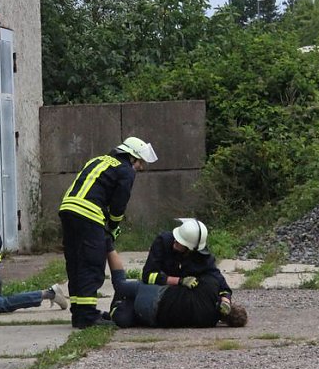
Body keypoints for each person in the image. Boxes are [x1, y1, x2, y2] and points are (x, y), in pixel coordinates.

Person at [59, 136, 157, 329]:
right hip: (88, 214)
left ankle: (79, 313)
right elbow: (119, 204)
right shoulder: (126, 170)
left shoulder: (98, 160)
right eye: (140, 162)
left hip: (67, 210)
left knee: (76, 263)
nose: (141, 167)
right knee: (91, 265)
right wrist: (112, 228)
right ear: (132, 157)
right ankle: (87, 318)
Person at [107, 248, 247, 329]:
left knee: (121, 286)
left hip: (155, 293)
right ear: (224, 322)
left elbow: (212, 274)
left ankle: (108, 246)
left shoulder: (211, 287)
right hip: (150, 317)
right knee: (122, 318)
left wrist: (225, 295)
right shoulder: (208, 322)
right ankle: (117, 306)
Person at [141, 218, 233, 309]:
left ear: (190, 249)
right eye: (177, 237)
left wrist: (226, 300)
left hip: (179, 300)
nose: (175, 241)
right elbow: (147, 276)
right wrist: (179, 280)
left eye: (180, 241)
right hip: (156, 292)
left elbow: (219, 281)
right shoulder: (163, 242)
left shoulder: (202, 258)